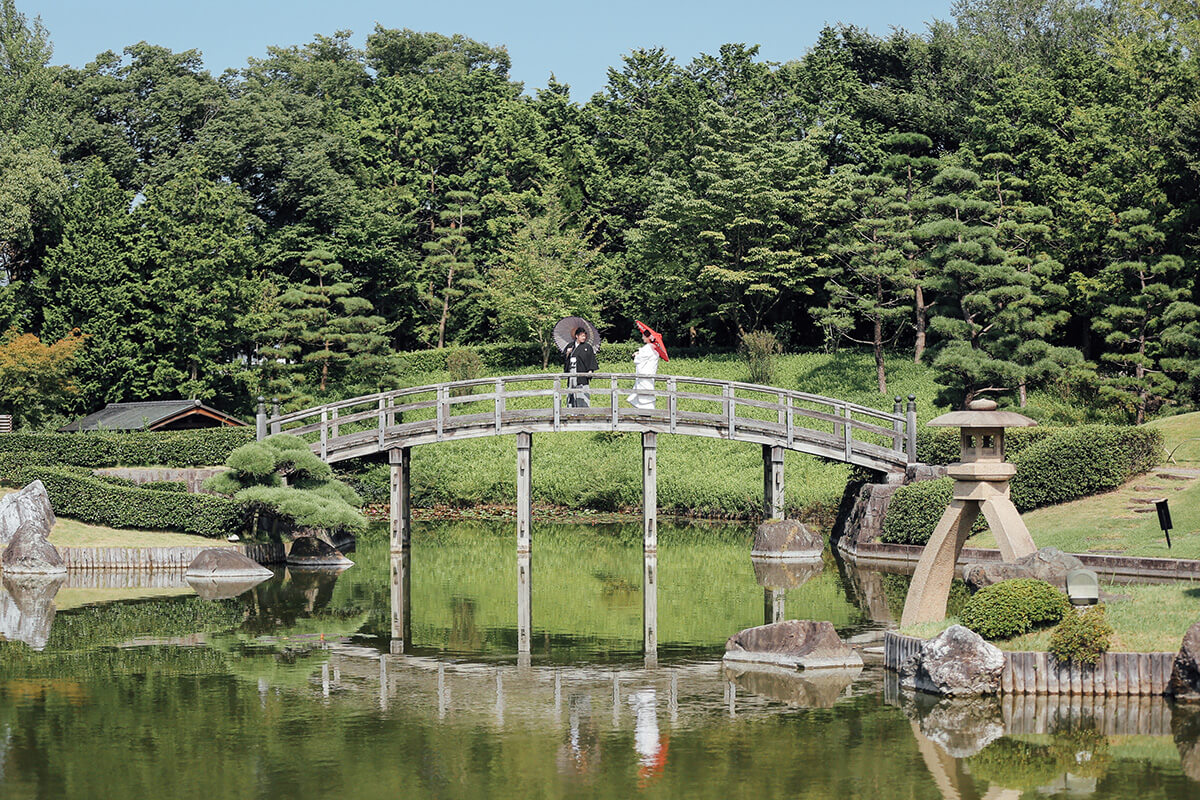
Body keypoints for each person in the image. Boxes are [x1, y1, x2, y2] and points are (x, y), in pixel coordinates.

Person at [563, 327, 598, 408]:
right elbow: (564, 358)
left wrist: (590, 370)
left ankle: (582, 412)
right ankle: (571, 411)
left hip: (583, 374)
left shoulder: (588, 347)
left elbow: (591, 359)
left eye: (585, 336)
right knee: (571, 392)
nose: (584, 337)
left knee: (582, 393)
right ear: (576, 336)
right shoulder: (570, 345)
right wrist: (567, 353)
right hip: (572, 373)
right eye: (582, 336)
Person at [627, 326, 661, 410]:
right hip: (649, 374)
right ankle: (646, 411)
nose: (642, 337)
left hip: (645, 374)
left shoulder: (648, 348)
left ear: (648, 337)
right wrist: (639, 353)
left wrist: (636, 355)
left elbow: (640, 359)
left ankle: (645, 412)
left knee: (644, 393)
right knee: (646, 392)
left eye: (644, 336)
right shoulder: (653, 348)